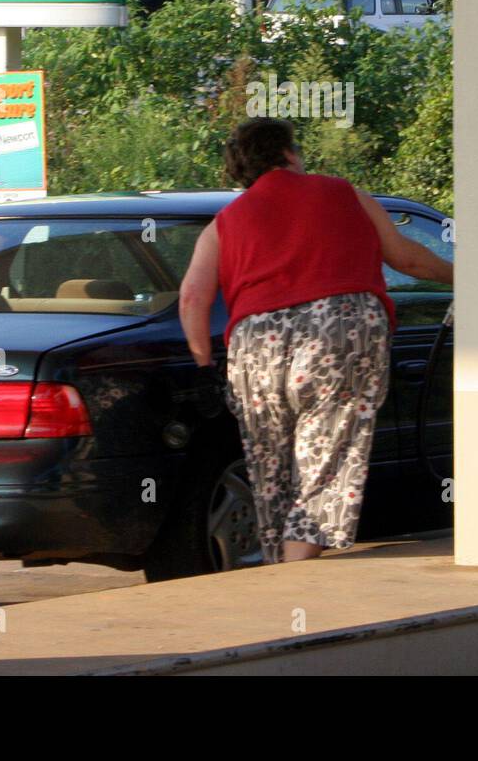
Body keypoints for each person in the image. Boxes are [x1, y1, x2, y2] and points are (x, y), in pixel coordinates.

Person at [178, 117, 454, 564]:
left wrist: (204, 363)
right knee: (325, 457)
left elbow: (192, 297)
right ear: (288, 153)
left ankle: (282, 562)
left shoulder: (223, 224)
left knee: (270, 469)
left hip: (256, 347)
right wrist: (467, 274)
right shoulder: (343, 194)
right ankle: (297, 569)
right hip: (338, 334)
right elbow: (407, 259)